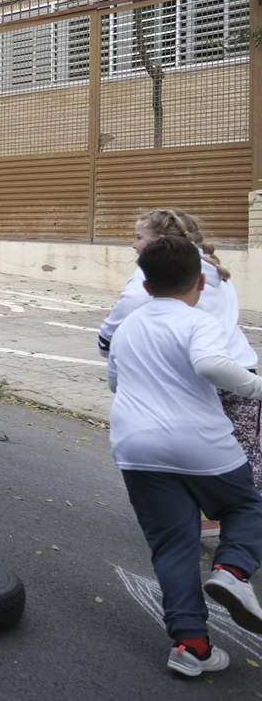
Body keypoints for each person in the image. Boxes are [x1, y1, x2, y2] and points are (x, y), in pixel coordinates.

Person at [107, 236, 262, 676]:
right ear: (200, 282)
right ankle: (232, 570)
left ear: (147, 286)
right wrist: (256, 387)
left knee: (173, 545)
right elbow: (211, 365)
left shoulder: (127, 327)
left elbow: (115, 383)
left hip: (136, 447)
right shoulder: (199, 321)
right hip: (200, 442)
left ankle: (191, 646)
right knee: (247, 506)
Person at [101, 209, 259, 493]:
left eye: (138, 238)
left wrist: (107, 342)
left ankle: (198, 507)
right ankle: (242, 509)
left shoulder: (155, 271)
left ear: (160, 240)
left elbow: (129, 307)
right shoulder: (212, 266)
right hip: (240, 367)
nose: (134, 245)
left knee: (188, 453)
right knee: (243, 457)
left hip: (197, 373)